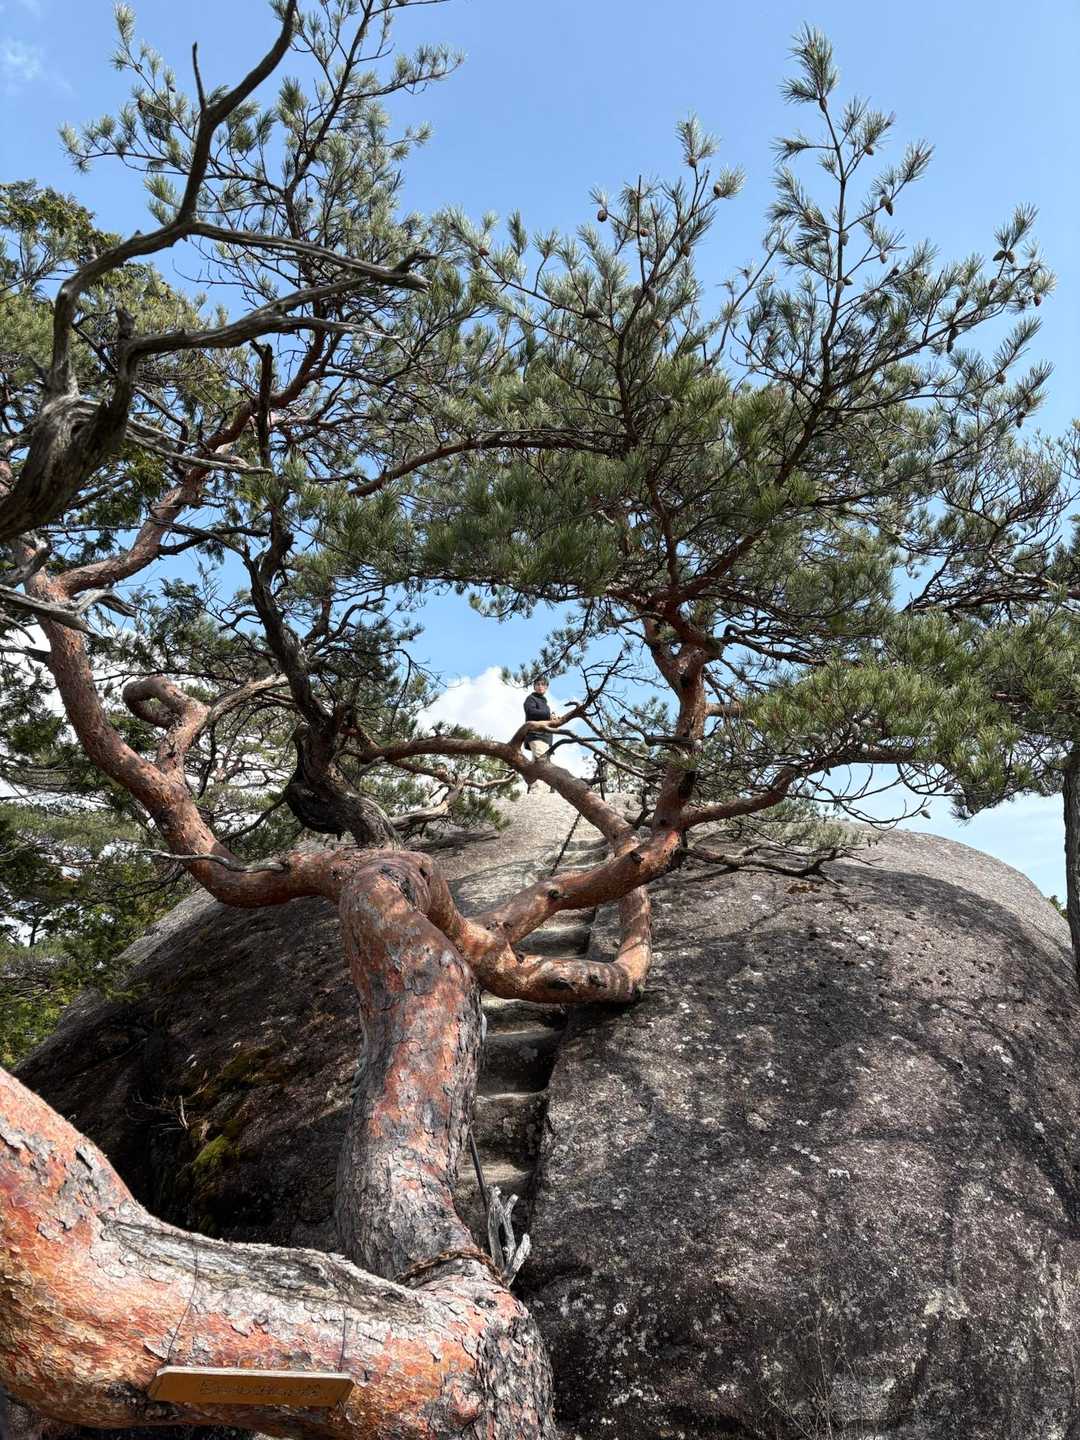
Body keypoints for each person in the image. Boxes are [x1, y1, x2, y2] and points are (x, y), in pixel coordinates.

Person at [523, 677, 553, 792]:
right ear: (534, 687)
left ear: (546, 687)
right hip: (535, 735)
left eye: (543, 684)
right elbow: (530, 712)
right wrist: (548, 714)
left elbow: (546, 718)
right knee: (542, 762)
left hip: (545, 738)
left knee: (538, 763)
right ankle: (538, 790)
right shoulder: (531, 699)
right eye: (538, 684)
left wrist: (553, 718)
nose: (540, 686)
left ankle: (537, 789)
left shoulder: (545, 703)